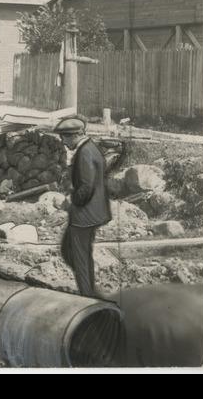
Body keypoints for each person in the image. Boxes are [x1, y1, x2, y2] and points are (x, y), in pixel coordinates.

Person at [54, 116, 112, 298]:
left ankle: (88, 297)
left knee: (79, 257)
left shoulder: (85, 153)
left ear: (77, 135)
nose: (63, 141)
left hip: (84, 214)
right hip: (92, 212)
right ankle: (90, 289)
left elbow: (86, 186)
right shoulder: (90, 149)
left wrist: (70, 201)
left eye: (66, 137)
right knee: (70, 251)